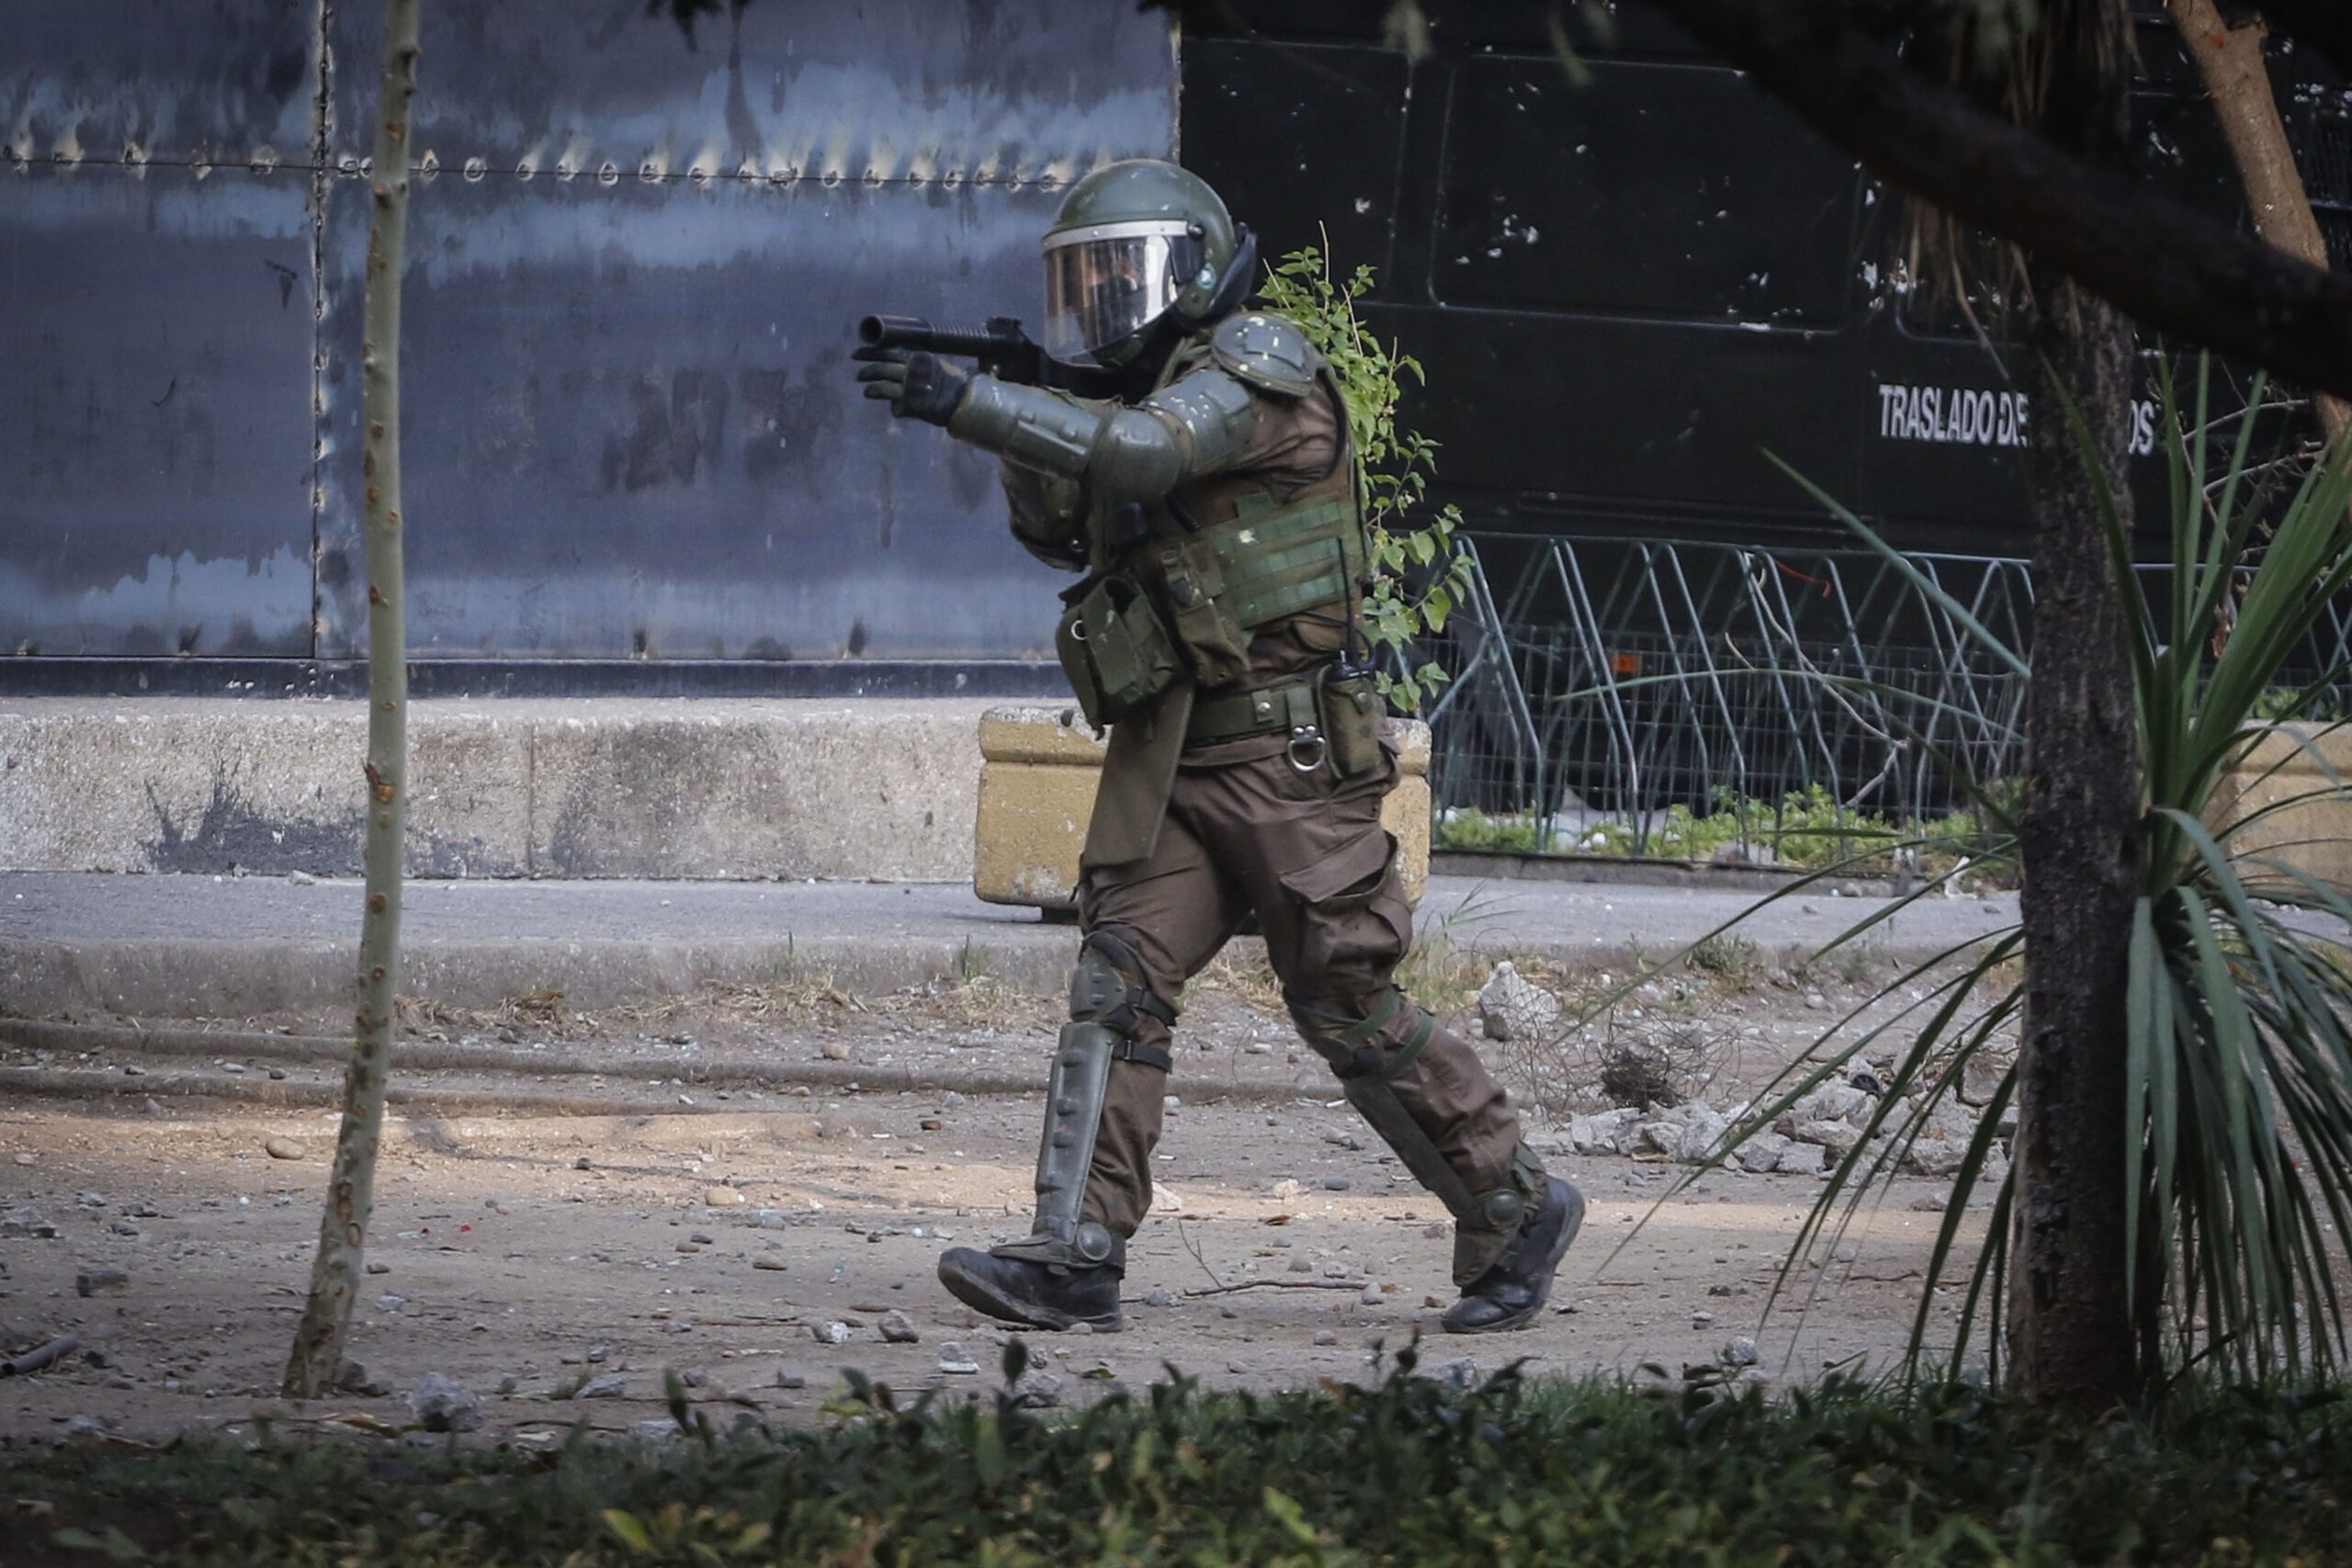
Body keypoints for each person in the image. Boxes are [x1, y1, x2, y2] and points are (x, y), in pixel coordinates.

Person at [854, 158, 1582, 1334]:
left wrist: (970, 402)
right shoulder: (1135, 405)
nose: (1102, 307)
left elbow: (1145, 458)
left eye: (1122, 277)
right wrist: (1020, 423)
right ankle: (1074, 1252)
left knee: (1344, 999)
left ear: (1195, 269)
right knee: (1116, 988)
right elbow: (1058, 536)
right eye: (1082, 285)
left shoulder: (1257, 370)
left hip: (1288, 755)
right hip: (1171, 758)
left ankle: (1513, 1200)